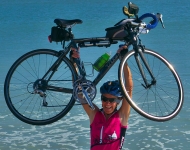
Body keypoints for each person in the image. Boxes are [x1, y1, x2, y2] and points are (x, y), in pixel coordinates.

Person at [71, 45, 133, 150]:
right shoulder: (94, 114)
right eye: (104, 99)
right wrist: (73, 63)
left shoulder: (122, 116)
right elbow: (78, 92)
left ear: (118, 101)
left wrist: (124, 60)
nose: (107, 103)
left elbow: (129, 88)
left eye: (111, 100)